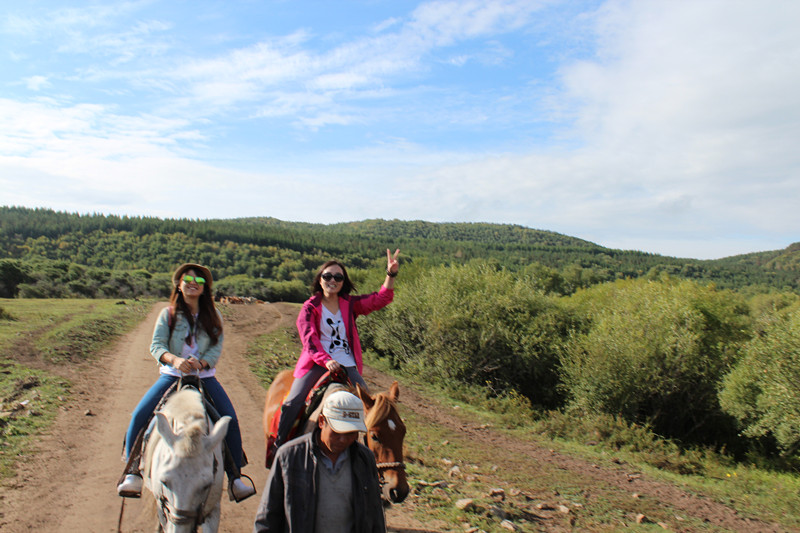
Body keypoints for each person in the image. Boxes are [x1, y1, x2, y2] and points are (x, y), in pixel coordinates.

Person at [117, 263, 256, 502]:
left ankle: (235, 478)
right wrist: (175, 360)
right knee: (139, 415)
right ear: (178, 286)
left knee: (229, 419)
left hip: (204, 378)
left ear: (205, 288)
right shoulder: (168, 314)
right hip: (172, 375)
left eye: (199, 281)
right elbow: (156, 346)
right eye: (188, 279)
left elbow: (215, 349)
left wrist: (201, 364)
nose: (194, 283)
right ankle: (132, 473)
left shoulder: (214, 315)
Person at [272, 249, 399, 453]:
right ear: (320, 280)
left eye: (338, 277)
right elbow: (309, 340)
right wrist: (326, 360)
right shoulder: (309, 307)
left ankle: (369, 456)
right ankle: (280, 449)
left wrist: (390, 274)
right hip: (317, 363)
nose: (333, 280)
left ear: (343, 281)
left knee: (371, 409)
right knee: (291, 403)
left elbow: (379, 299)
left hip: (347, 364)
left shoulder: (350, 304)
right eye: (327, 276)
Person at [253, 390, 386, 533]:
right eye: (336, 432)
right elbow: (268, 516)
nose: (343, 440)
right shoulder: (289, 456)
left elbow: (375, 515)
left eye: (350, 433)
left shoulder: (364, 459)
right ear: (322, 422)